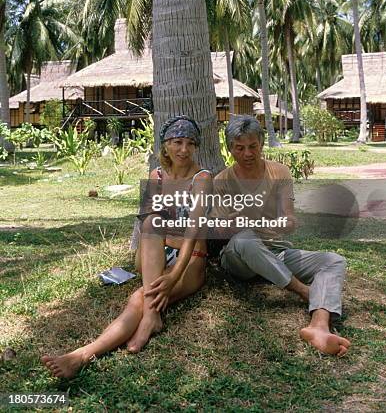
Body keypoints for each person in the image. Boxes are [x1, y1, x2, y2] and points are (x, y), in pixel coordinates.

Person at [42, 116, 212, 378]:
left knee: (138, 299)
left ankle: (82, 355)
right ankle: (152, 316)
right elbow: (146, 224)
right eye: (178, 142)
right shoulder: (156, 175)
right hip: (156, 256)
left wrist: (175, 275)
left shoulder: (202, 178)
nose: (184, 150)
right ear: (165, 144)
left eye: (191, 144)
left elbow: (193, 233)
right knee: (152, 221)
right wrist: (146, 259)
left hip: (190, 260)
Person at [211, 115, 351, 357]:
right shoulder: (221, 181)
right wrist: (233, 222)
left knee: (334, 260)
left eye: (252, 146)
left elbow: (290, 220)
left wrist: (270, 222)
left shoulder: (280, 172)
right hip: (239, 259)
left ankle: (318, 325)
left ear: (262, 144)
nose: (247, 153)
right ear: (230, 148)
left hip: (276, 251)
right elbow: (219, 232)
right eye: (239, 148)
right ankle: (305, 292)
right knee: (245, 239)